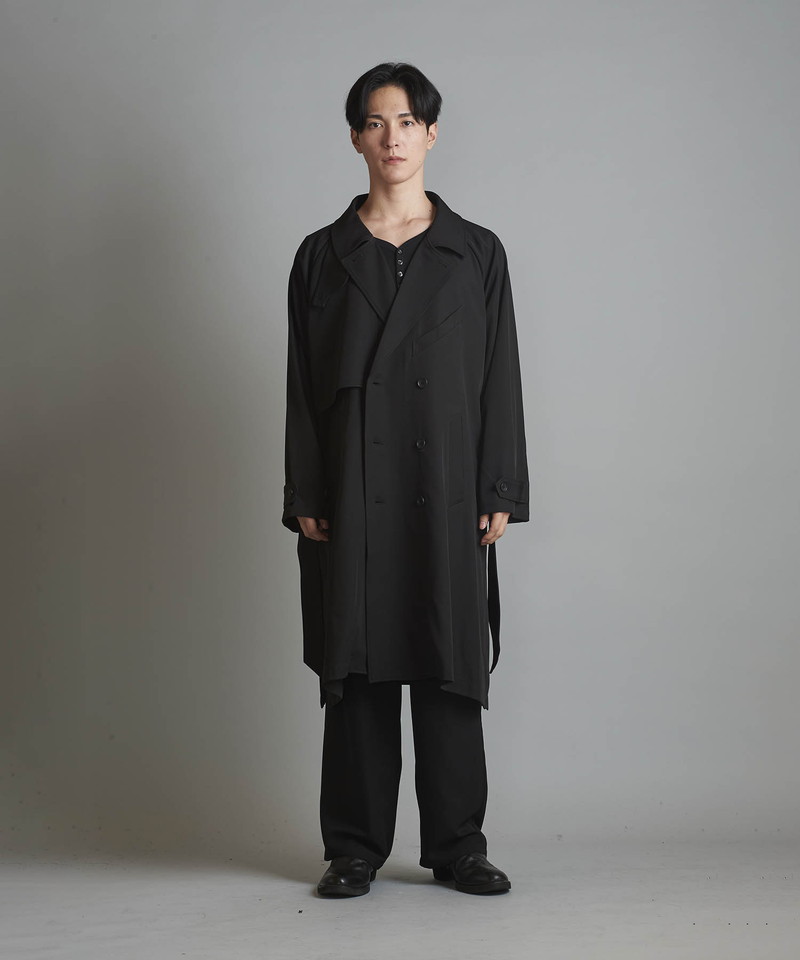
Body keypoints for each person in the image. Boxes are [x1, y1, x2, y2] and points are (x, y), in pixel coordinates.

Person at [281, 62, 529, 897]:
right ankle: (353, 848)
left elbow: (499, 377)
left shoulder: (476, 251)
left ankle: (459, 845)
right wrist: (308, 492)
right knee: (357, 664)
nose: (393, 137)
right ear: (356, 137)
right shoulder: (321, 256)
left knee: (451, 659)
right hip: (354, 486)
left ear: (432, 133)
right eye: (376, 122)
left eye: (408, 122)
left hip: (447, 483)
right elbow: (301, 386)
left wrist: (499, 486)